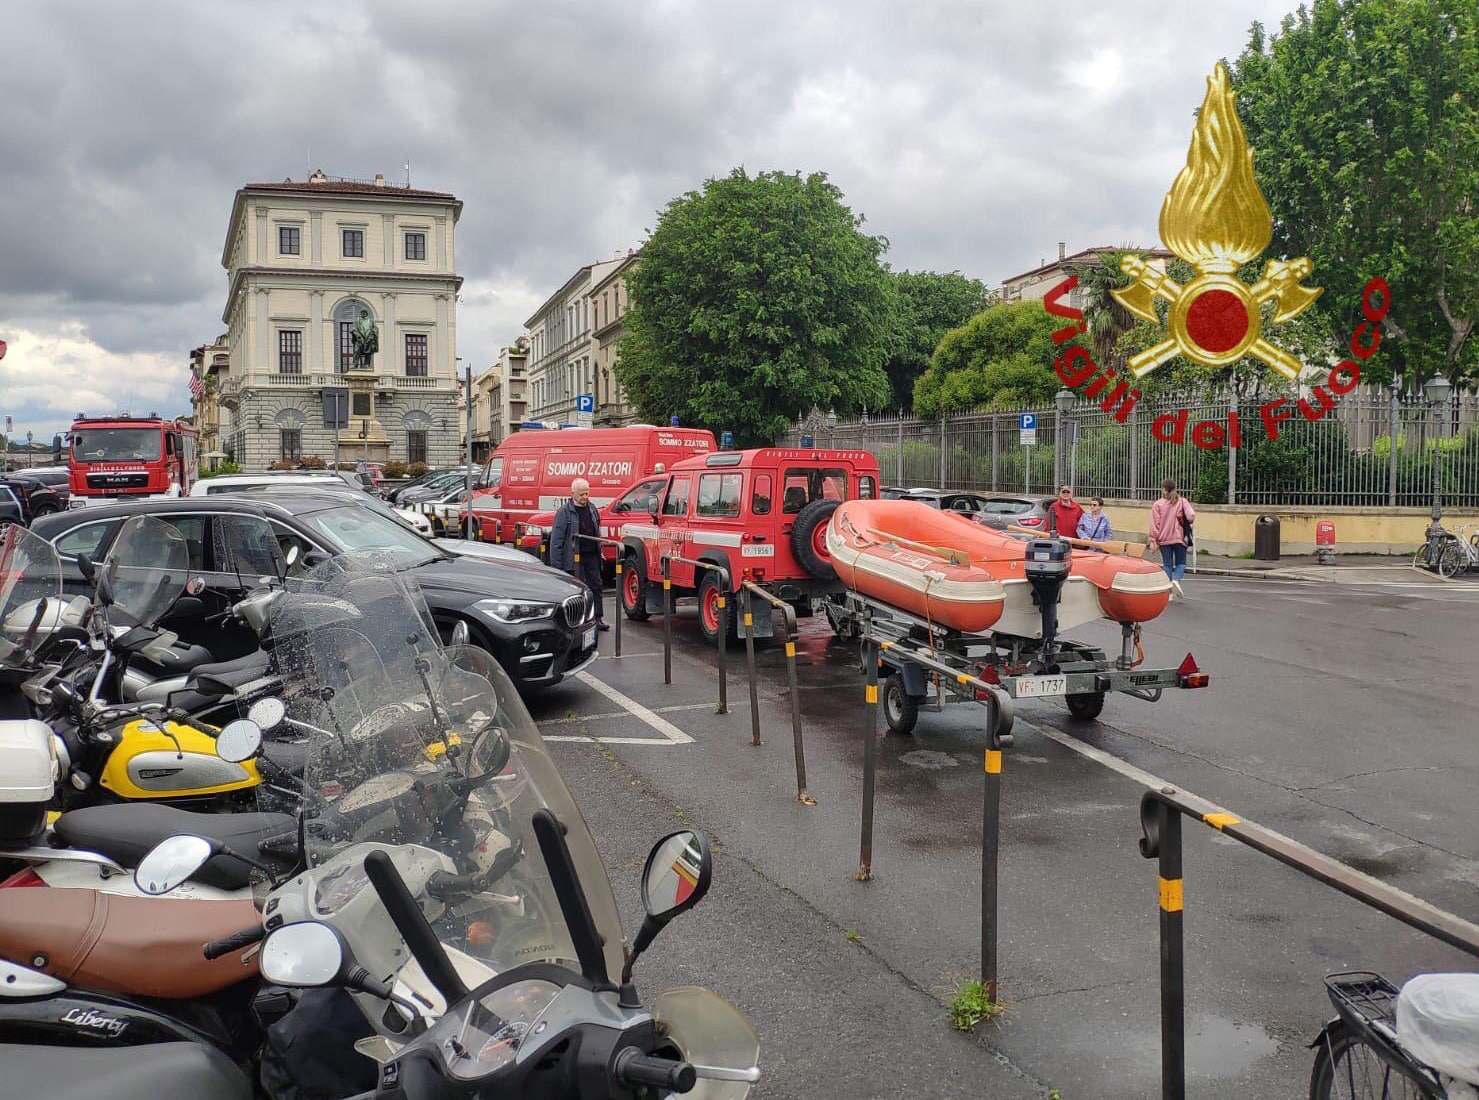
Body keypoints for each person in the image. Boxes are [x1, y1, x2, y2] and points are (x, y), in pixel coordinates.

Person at [549, 477, 608, 631]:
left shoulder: (592, 508)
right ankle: (579, 621)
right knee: (578, 589)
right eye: (582, 495)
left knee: (597, 586)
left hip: (592, 555)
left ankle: (598, 618)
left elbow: (597, 530)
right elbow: (557, 540)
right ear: (573, 493)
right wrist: (557, 566)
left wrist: (599, 551)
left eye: (587, 494)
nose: (585, 498)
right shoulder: (564, 512)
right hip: (574, 557)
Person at [1148, 479, 1195, 599]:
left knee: (1167, 565)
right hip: (1179, 538)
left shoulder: (1158, 504)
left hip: (1164, 539)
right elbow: (1191, 517)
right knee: (1181, 563)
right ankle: (1176, 579)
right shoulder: (1182, 502)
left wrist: (1153, 540)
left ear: (1163, 489)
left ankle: (1169, 593)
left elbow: (1155, 524)